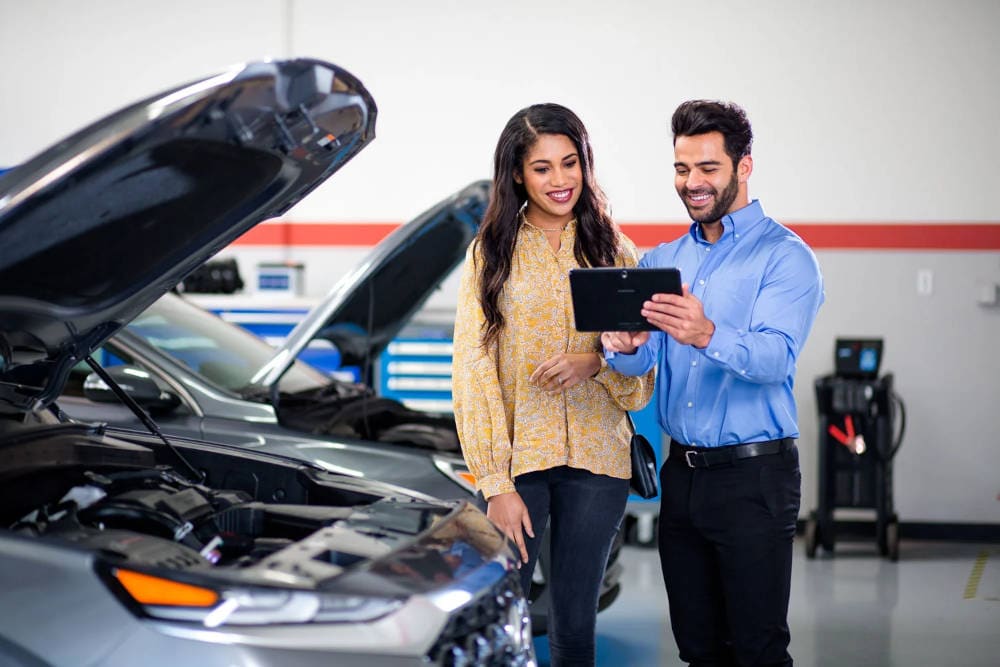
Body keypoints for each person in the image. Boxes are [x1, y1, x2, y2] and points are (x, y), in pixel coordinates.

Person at [602, 99, 824, 667]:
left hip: (755, 478)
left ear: (743, 166)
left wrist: (707, 334)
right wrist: (623, 349)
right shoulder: (663, 258)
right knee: (698, 647)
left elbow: (776, 358)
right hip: (683, 476)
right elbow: (642, 362)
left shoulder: (786, 257)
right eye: (682, 168)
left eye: (707, 168)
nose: (692, 183)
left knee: (757, 648)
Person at [451, 102, 654, 665]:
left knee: (574, 624)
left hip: (598, 459)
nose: (560, 181)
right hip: (520, 464)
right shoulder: (489, 254)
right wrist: (495, 482)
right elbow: (473, 368)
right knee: (500, 618)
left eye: (570, 164)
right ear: (518, 173)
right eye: (543, 168)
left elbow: (641, 382)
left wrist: (597, 361)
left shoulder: (614, 251)